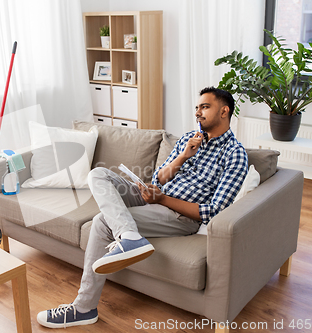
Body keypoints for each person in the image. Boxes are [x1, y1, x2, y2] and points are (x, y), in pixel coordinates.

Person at [37, 87, 249, 328]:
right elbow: (160, 178)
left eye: (205, 107)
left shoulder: (234, 154)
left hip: (177, 214)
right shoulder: (189, 139)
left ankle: (84, 308)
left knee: (101, 221)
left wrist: (162, 200)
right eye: (197, 107)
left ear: (224, 111)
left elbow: (212, 211)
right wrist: (182, 157)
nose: (198, 112)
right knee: (99, 174)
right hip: (154, 197)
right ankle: (129, 236)